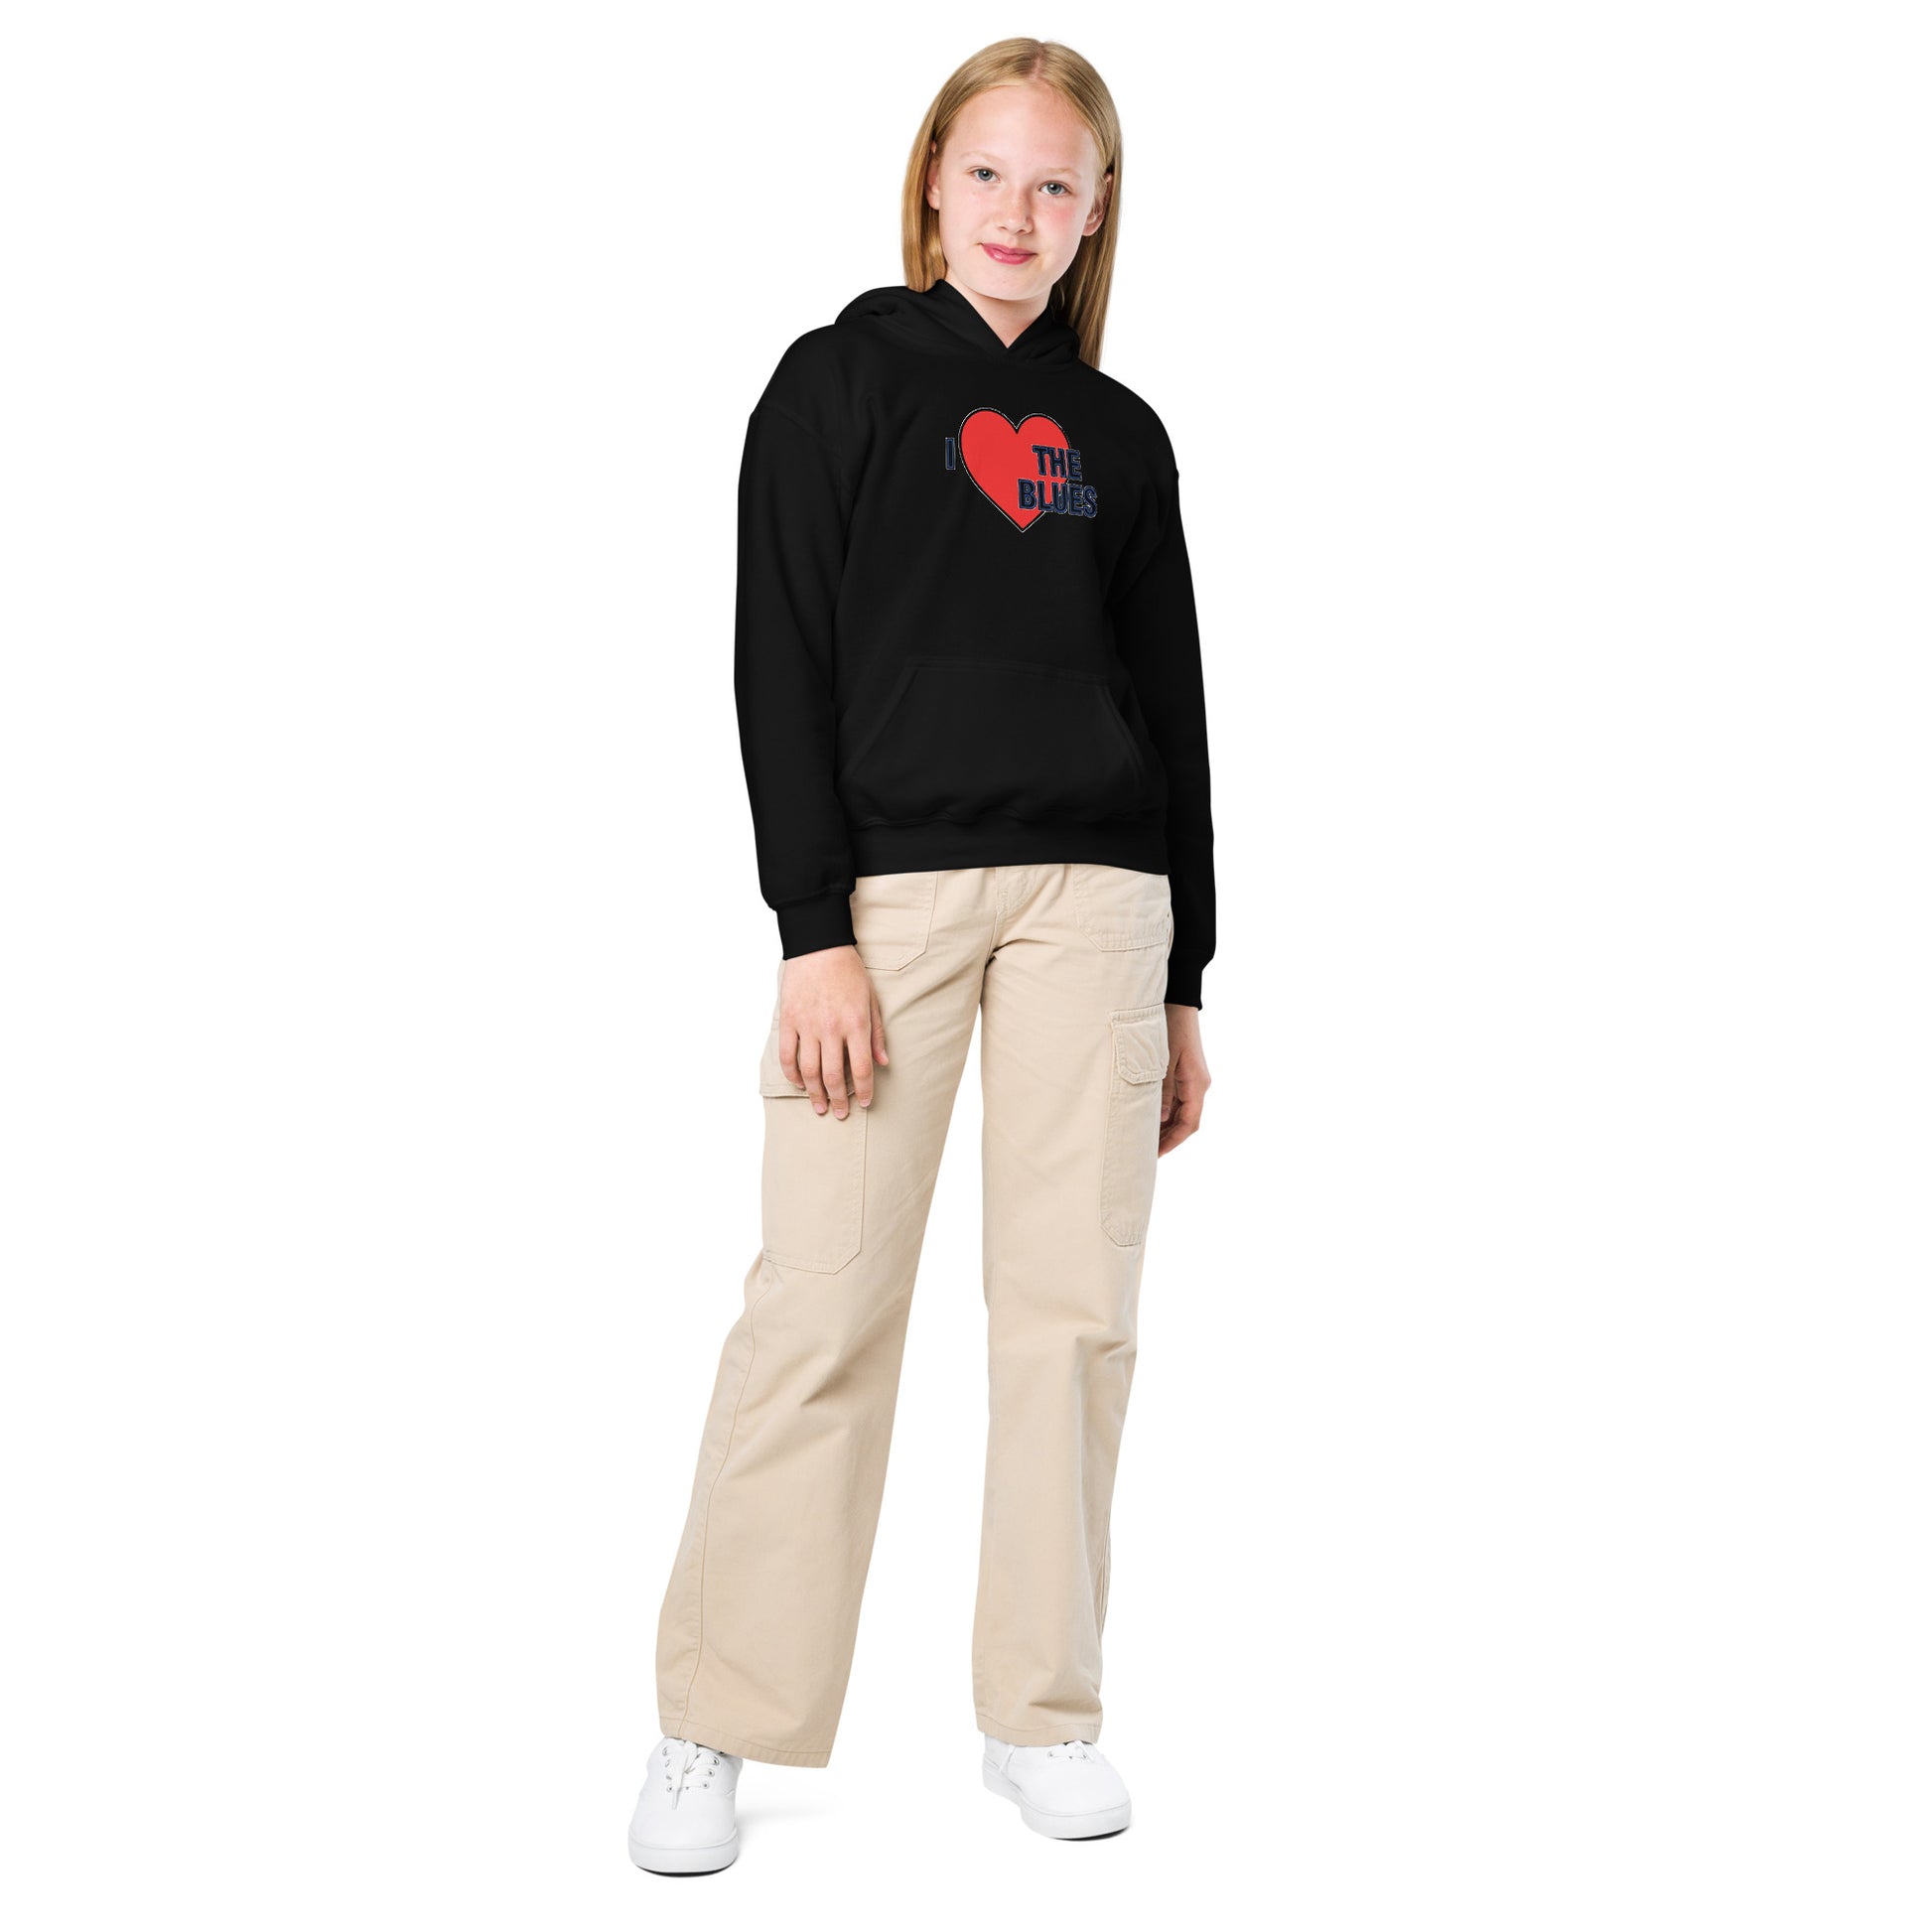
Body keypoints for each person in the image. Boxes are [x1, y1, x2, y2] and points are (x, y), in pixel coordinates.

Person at [628, 36, 1215, 1873]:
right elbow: (776, 655)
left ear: (1095, 211)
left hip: (1097, 905)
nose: (1016, 214)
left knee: (1071, 1315)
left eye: (1055, 185)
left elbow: (1175, 708)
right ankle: (717, 1719)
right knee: (819, 1303)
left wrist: (1188, 973)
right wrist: (810, 928)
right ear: (931, 181)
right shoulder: (838, 381)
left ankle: (1041, 1710)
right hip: (887, 908)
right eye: (987, 174)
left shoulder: (1119, 439)